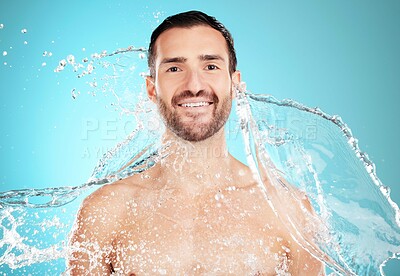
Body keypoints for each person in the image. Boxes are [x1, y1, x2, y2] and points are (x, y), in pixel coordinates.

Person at [67, 10, 324, 275]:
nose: (194, 84)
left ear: (235, 84)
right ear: (152, 88)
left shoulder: (288, 211)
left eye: (210, 66)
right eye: (175, 68)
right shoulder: (107, 210)